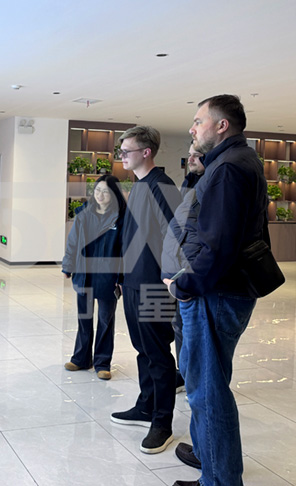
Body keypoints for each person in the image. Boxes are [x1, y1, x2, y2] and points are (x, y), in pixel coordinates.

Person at [164, 95, 268, 486]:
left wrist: (183, 285)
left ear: (221, 125)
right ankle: (211, 461)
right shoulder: (237, 161)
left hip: (214, 292)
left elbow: (218, 244)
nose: (192, 128)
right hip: (220, 289)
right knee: (204, 384)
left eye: (198, 121)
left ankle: (220, 479)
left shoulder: (228, 168)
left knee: (207, 391)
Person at [109, 126, 182, 454]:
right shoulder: (139, 186)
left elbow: (177, 236)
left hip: (154, 287)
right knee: (142, 349)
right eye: (121, 151)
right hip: (133, 283)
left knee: (157, 353)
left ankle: (162, 422)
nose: (122, 156)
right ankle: (145, 406)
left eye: (127, 151)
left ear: (146, 152)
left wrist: (167, 281)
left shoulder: (161, 186)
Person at [62, 175, 126, 381]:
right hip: (85, 274)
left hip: (109, 276)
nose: (100, 195)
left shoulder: (121, 218)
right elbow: (73, 241)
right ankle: (81, 358)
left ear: (114, 194)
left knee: (106, 320)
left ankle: (102, 362)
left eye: (105, 191)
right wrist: (68, 265)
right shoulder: (83, 214)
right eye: (97, 190)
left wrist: (122, 277)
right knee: (84, 318)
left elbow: (126, 250)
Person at [170, 143, 206, 390]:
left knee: (196, 328)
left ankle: (196, 377)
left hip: (199, 266)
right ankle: (184, 372)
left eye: (196, 156)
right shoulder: (189, 182)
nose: (190, 159)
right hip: (181, 263)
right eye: (189, 155)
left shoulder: (213, 184)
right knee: (179, 323)